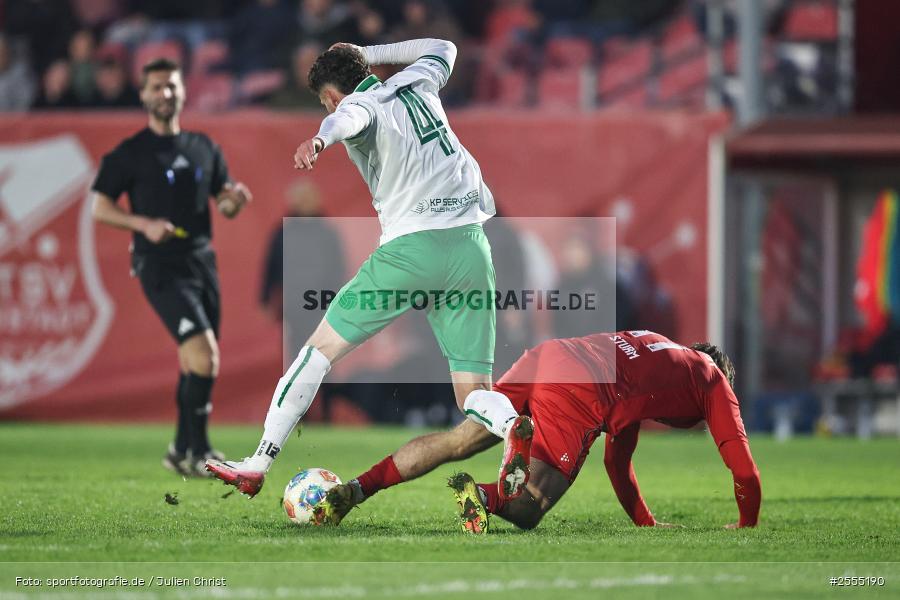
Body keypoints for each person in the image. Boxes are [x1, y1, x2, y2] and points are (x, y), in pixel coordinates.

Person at [206, 39, 533, 506]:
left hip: (411, 251)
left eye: (324, 99)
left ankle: (258, 461)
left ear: (332, 95)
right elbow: (444, 45)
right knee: (473, 393)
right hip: (470, 249)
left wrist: (320, 138)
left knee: (317, 351)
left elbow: (347, 118)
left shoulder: (356, 105)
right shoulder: (419, 79)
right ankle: (510, 425)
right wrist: (367, 50)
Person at [313, 330, 761, 533]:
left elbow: (617, 461)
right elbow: (745, 471)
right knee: (528, 510)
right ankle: (487, 494)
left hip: (555, 355)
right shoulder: (713, 381)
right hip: (583, 386)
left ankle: (357, 488)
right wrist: (747, 524)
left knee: (460, 439)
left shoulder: (660, 354)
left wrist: (645, 522)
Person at [91, 58, 253, 476]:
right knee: (204, 357)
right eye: (157, 87)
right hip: (158, 265)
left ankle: (180, 449)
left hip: (202, 261)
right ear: (143, 94)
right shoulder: (130, 153)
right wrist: (141, 223)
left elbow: (225, 203)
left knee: (195, 362)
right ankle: (200, 453)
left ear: (183, 92)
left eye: (172, 86)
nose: (165, 94)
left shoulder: (204, 147)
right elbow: (100, 207)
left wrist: (234, 200)